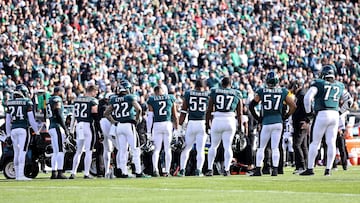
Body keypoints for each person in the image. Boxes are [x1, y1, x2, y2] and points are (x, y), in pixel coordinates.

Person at [300, 65, 350, 176]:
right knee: (331, 142)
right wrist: (339, 112)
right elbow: (349, 101)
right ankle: (328, 170)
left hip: (322, 114)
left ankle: (310, 168)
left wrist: (309, 114)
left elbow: (307, 98)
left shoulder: (319, 83)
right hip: (334, 115)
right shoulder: (340, 85)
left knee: (315, 143)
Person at [249, 71, 296, 176]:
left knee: (261, 147)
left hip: (266, 122)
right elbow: (293, 106)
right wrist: (286, 116)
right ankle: (275, 170)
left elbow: (252, 105)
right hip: (278, 122)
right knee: (275, 147)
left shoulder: (262, 91)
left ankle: (257, 169)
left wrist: (258, 118)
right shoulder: (283, 91)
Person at [104, 80, 147, 178]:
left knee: (123, 150)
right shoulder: (130, 97)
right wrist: (136, 120)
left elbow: (106, 113)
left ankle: (124, 172)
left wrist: (114, 122)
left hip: (119, 126)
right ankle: (138, 171)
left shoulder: (114, 99)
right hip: (129, 125)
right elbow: (139, 109)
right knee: (135, 149)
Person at [205, 76, 243, 176]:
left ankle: (209, 169)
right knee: (228, 146)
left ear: (221, 84)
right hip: (230, 120)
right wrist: (241, 127)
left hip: (217, 119)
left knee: (213, 146)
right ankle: (226, 169)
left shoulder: (215, 91)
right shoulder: (237, 93)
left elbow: (209, 109)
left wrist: (206, 123)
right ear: (231, 84)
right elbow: (240, 113)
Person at [5, 84, 40, 180]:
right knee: (22, 152)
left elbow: (7, 121)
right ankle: (20, 175)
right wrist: (37, 132)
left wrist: (8, 134)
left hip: (13, 130)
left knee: (16, 152)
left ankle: (17, 175)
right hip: (23, 129)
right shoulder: (27, 102)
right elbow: (31, 119)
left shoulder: (10, 102)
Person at [177, 79, 209, 177]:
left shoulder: (188, 94)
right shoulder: (208, 95)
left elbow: (183, 111)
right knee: (200, 149)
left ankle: (182, 170)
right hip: (202, 123)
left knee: (186, 148)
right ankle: (198, 170)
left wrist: (179, 126)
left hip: (191, 123)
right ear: (204, 87)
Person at [147, 85, 178, 177]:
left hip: (157, 124)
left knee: (157, 149)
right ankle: (167, 171)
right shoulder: (170, 98)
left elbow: (150, 117)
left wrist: (149, 131)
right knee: (168, 149)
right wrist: (176, 129)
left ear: (155, 92)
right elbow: (175, 115)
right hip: (168, 124)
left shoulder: (152, 99)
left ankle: (155, 169)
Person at [69, 85, 100, 179]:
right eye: (95, 92)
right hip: (87, 125)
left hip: (79, 126)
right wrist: (99, 129)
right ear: (93, 91)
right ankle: (86, 173)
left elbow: (73, 115)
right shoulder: (92, 101)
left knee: (78, 151)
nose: (96, 95)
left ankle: (73, 172)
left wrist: (71, 129)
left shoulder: (77, 100)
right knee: (88, 151)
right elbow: (95, 114)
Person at [46, 86, 70, 179]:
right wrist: (65, 128)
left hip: (52, 126)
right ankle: (60, 172)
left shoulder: (49, 100)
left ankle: (54, 172)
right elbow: (59, 114)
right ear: (59, 92)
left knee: (55, 152)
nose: (63, 95)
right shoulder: (57, 99)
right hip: (57, 127)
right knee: (60, 151)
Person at [289, 80, 310, 174]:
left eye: (292, 87)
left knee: (296, 145)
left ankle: (301, 166)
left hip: (301, 123)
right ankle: (306, 165)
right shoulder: (301, 95)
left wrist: (307, 120)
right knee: (303, 146)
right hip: (300, 122)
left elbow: (309, 109)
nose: (291, 89)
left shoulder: (302, 95)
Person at [99, 92, 118, 178]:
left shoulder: (102, 106)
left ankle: (107, 171)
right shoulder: (109, 106)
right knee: (118, 147)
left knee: (107, 149)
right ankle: (118, 170)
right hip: (109, 123)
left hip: (102, 123)